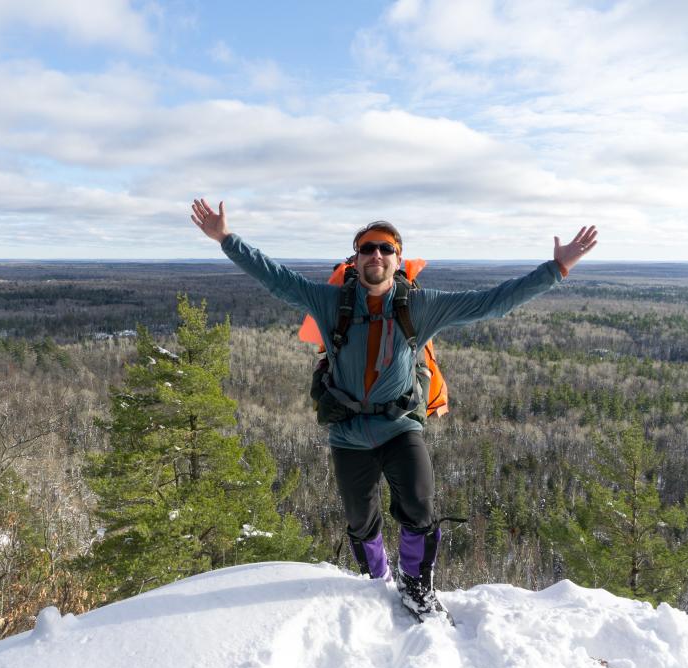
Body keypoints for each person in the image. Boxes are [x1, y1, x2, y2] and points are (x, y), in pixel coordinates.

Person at [190, 198, 597, 617]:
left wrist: (557, 269)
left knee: (419, 505)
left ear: (398, 259)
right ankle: (377, 581)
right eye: (368, 248)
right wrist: (226, 239)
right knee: (360, 520)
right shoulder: (330, 303)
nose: (377, 255)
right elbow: (274, 277)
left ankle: (417, 586)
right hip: (347, 432)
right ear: (356, 258)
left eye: (386, 249)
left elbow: (491, 301)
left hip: (400, 425)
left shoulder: (419, 306)